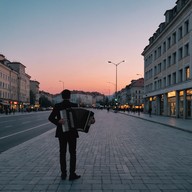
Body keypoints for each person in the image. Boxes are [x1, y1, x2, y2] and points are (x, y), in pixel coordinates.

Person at [48, 89, 81, 181]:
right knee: (73, 153)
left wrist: (58, 121)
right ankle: (72, 174)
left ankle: (63, 174)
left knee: (62, 153)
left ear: (62, 96)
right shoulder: (74, 106)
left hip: (61, 133)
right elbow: (78, 119)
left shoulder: (57, 106)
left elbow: (50, 118)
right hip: (72, 133)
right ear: (70, 96)